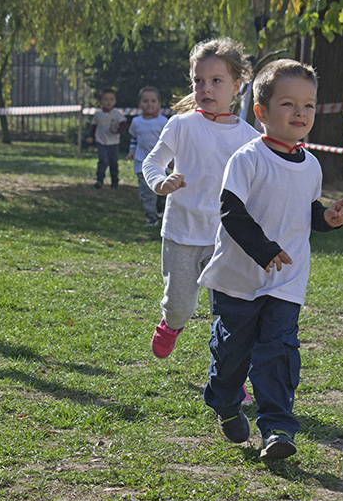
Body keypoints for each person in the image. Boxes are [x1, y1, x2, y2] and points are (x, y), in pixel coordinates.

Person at [197, 59, 343, 460]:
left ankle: (277, 428)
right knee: (233, 354)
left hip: (287, 280)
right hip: (238, 278)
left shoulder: (312, 164)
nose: (300, 113)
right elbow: (232, 213)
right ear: (261, 112)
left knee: (278, 350)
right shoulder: (246, 159)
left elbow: (304, 208)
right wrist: (263, 250)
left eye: (309, 105)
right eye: (288, 104)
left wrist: (326, 219)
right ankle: (225, 400)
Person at [142, 38, 260, 360]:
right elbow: (152, 162)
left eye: (216, 81)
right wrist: (160, 182)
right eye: (198, 81)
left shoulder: (250, 139)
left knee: (229, 316)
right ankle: (171, 324)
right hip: (182, 235)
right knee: (180, 307)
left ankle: (230, 378)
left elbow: (265, 181)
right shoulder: (181, 125)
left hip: (227, 240)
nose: (205, 88)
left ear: (237, 86)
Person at [125, 86, 169, 226]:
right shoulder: (136, 122)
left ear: (159, 104)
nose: (149, 104)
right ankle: (151, 216)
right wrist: (131, 152)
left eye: (153, 101)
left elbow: (169, 143)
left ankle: (160, 207)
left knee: (162, 190)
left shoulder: (163, 122)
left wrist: (172, 160)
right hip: (141, 163)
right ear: (139, 104)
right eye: (145, 101)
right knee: (146, 192)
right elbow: (134, 139)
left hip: (162, 163)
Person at [87, 89, 127, 189]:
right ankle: (99, 180)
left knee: (113, 162)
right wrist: (91, 136)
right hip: (101, 141)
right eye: (105, 99)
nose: (108, 102)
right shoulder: (98, 114)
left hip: (113, 143)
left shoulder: (117, 114)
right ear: (100, 101)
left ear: (115, 101)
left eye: (111, 99)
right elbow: (94, 127)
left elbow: (123, 125)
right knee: (103, 161)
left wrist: (117, 130)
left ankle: (114, 181)